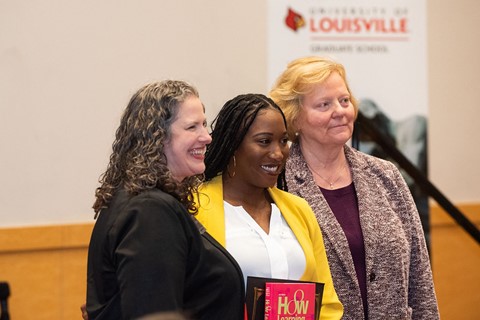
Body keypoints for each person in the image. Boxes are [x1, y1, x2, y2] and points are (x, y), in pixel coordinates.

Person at [269, 56, 439, 320]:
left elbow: (420, 277)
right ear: (295, 118)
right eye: (324, 104)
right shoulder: (278, 182)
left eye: (344, 100)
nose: (340, 111)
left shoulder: (385, 175)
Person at [85, 80, 245, 320]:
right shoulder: (150, 211)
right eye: (192, 127)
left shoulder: (148, 202)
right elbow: (153, 312)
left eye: (204, 124)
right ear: (157, 138)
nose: (207, 137)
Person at [195, 94, 343, 319]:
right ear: (233, 146)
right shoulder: (194, 207)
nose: (277, 153)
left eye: (283, 141)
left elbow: (326, 304)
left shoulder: (299, 210)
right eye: (264, 141)